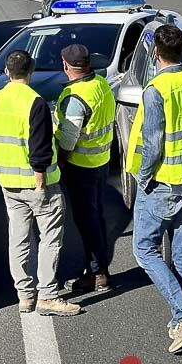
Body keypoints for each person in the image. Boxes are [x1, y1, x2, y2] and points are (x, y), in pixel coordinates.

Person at [126, 24, 182, 353]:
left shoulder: (156, 90)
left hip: (163, 180)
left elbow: (152, 144)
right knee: (181, 248)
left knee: (144, 249)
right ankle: (181, 318)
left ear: (155, 53)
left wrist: (144, 178)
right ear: (181, 50)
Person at [0, 50, 82, 317]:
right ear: (31, 71)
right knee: (49, 239)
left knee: (18, 239)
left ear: (7, 71)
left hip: (8, 183)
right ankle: (48, 295)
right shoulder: (34, 102)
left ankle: (25, 295)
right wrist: (40, 176)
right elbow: (39, 145)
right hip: (39, 184)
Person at [55, 44, 116, 295]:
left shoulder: (75, 98)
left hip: (81, 167)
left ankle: (98, 272)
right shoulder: (100, 83)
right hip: (101, 161)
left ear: (66, 65)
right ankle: (96, 270)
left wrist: (59, 162)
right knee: (96, 217)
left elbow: (69, 140)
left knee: (87, 221)